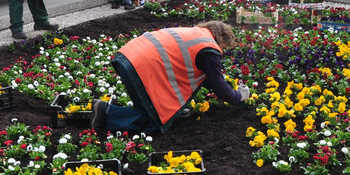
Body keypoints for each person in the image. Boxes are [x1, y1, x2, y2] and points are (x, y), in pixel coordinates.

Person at [90, 21, 251, 134]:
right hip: (139, 68)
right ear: (221, 38)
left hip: (127, 57)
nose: (222, 51)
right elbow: (217, 85)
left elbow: (209, 79)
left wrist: (230, 86)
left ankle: (168, 111)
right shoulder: (209, 48)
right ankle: (107, 112)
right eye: (224, 47)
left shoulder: (196, 33)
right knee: (155, 123)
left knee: (154, 110)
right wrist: (238, 97)